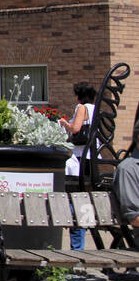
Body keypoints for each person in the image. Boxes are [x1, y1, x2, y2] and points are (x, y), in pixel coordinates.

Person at [62, 82, 96, 251]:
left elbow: (75, 129)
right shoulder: (96, 109)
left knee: (73, 197)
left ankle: (77, 247)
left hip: (79, 159)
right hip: (93, 158)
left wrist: (64, 123)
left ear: (79, 95)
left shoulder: (81, 107)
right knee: (84, 198)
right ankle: (86, 227)